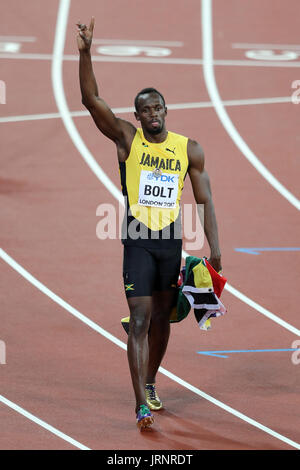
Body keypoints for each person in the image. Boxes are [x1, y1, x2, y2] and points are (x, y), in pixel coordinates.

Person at [77, 18, 222, 430]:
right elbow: (91, 100)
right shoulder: (127, 140)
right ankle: (140, 402)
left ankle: (152, 380)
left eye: (158, 107)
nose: (153, 114)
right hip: (138, 239)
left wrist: (216, 249)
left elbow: (205, 199)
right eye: (145, 110)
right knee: (139, 319)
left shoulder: (188, 149)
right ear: (137, 117)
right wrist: (85, 53)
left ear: (165, 110)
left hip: (170, 242)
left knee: (162, 318)